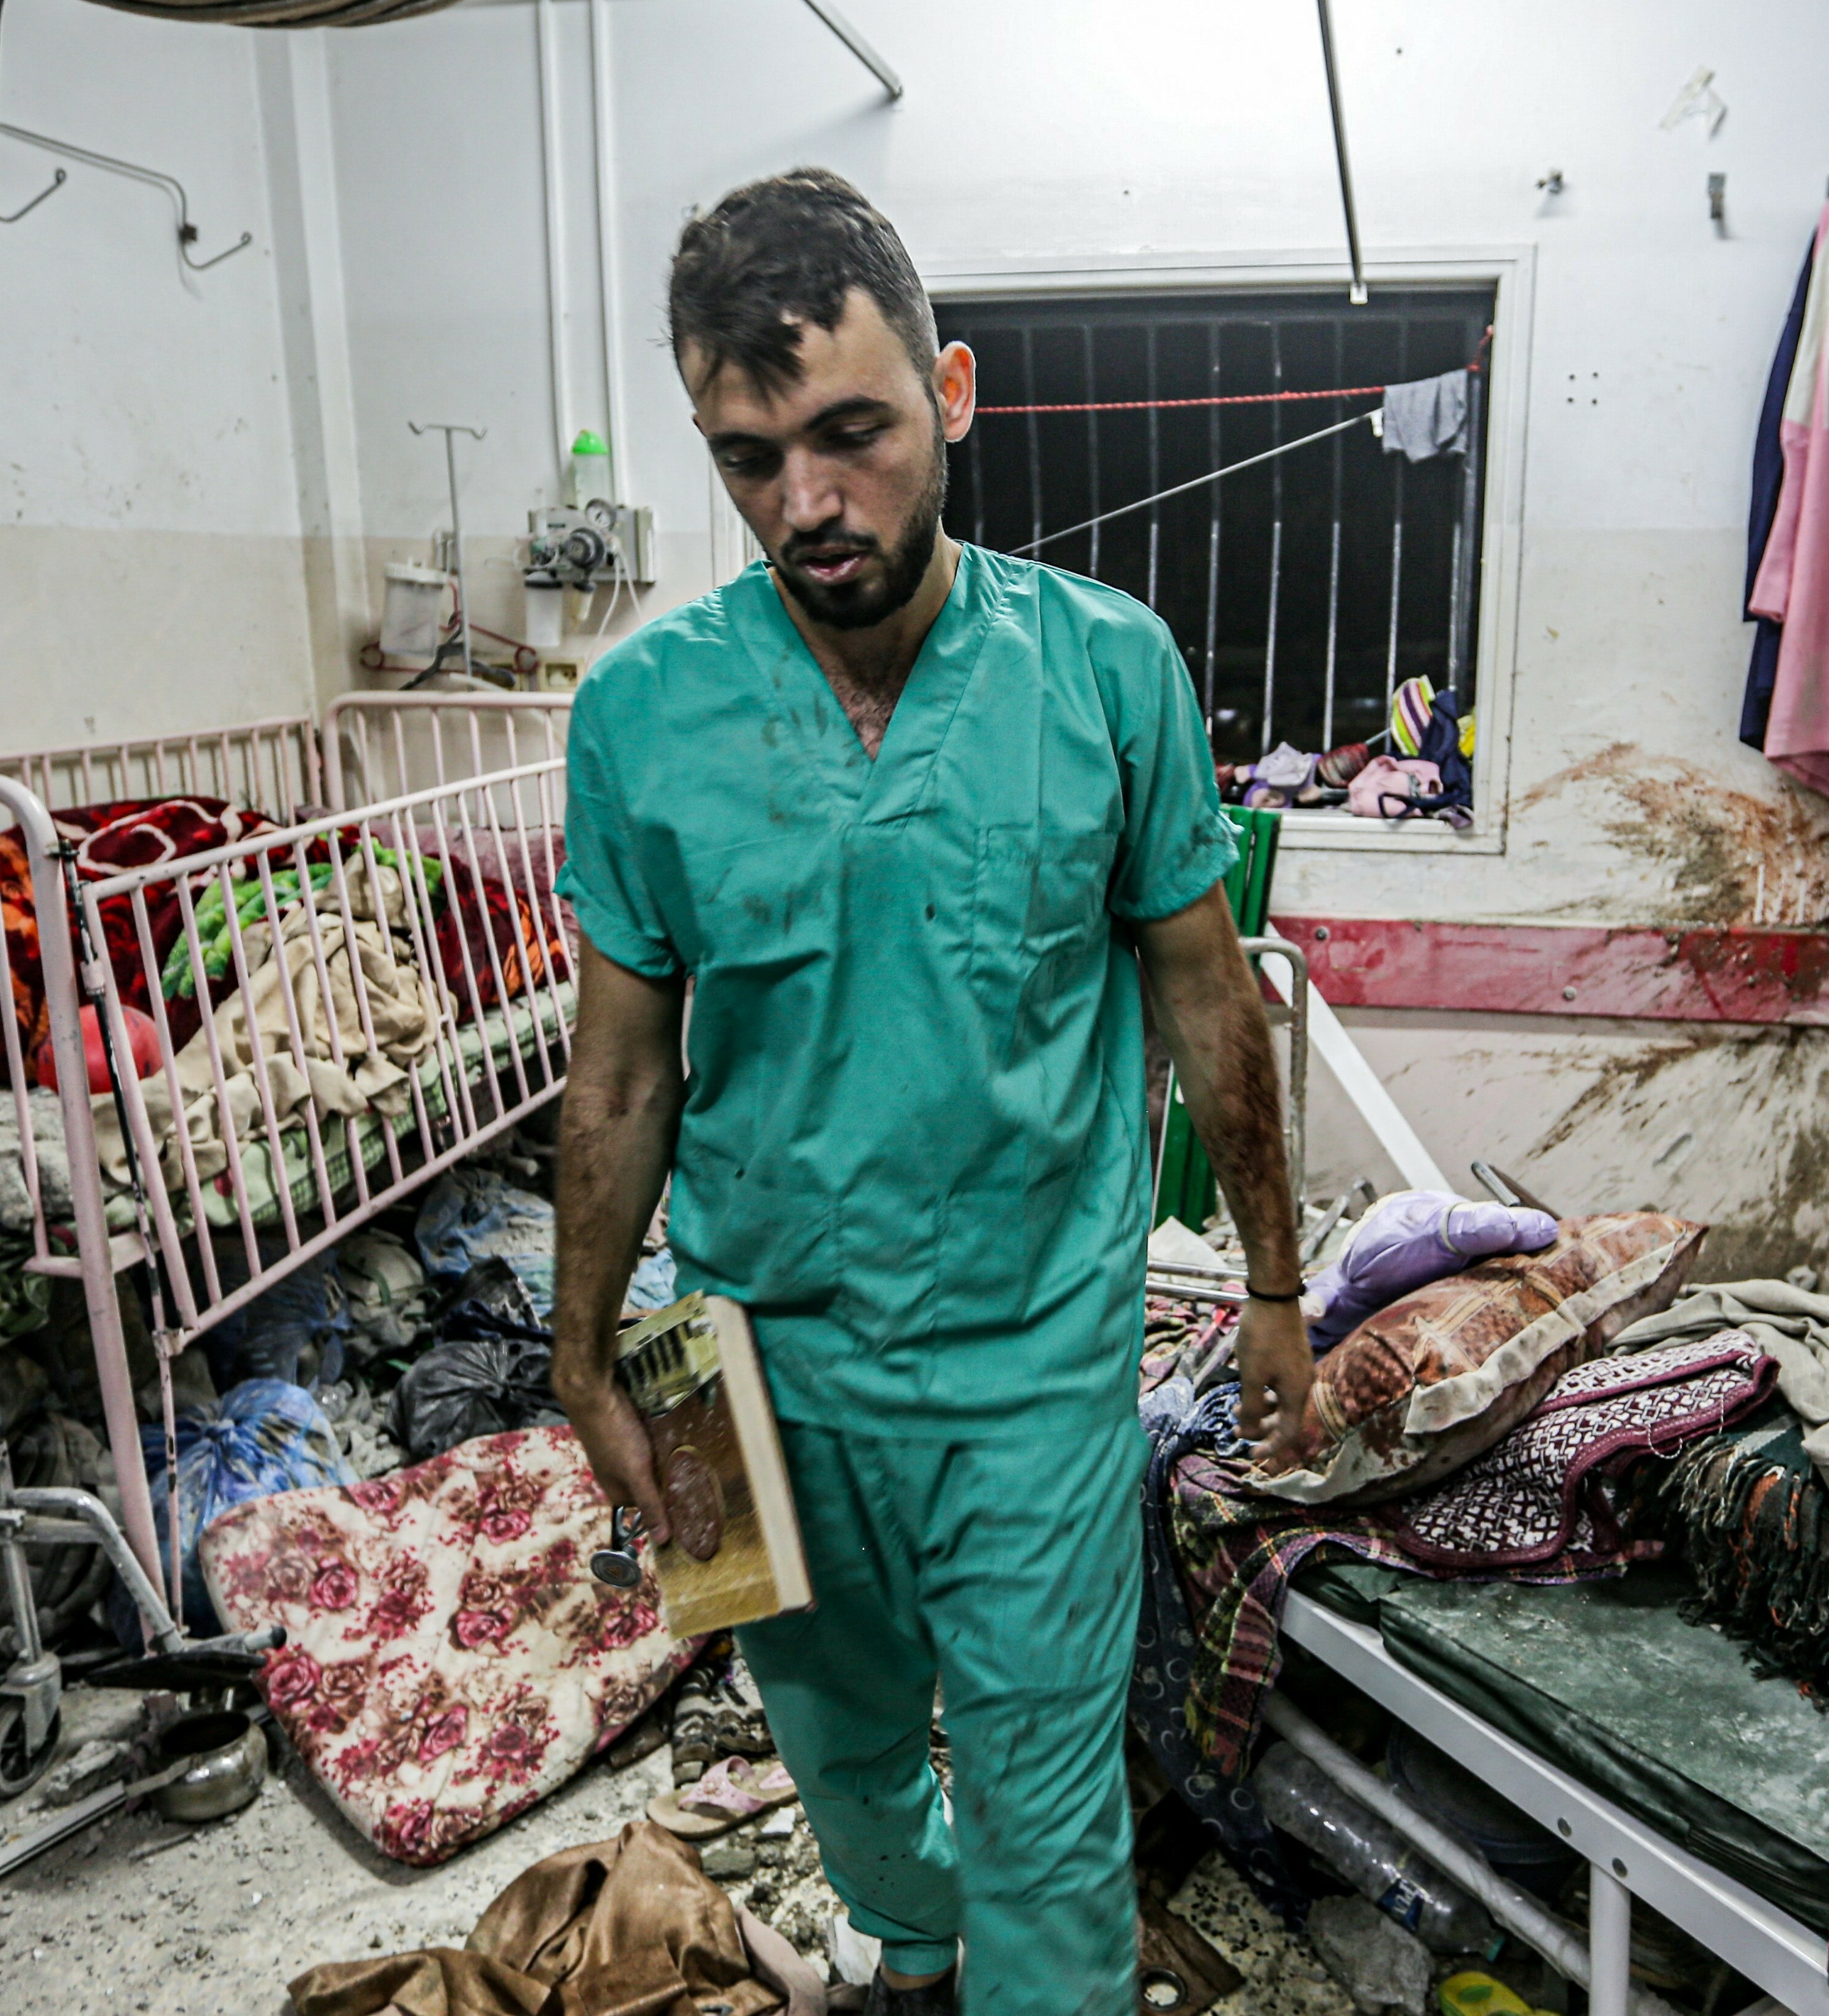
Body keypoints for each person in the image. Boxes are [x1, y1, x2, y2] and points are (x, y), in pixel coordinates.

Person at [548, 168, 1314, 2016]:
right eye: (749, 459)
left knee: (1054, 1823)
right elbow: (623, 1067)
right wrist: (582, 1350)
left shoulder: (1106, 672)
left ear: (952, 395)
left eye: (850, 434)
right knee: (843, 1758)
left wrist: (1278, 1285)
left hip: (1031, 1358)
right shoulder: (642, 713)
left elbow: (1209, 999)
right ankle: (910, 1939)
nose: (806, 503)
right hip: (746, 1357)